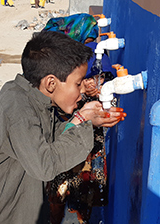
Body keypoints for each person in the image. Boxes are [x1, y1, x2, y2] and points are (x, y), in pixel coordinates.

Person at [0, 31, 123, 224]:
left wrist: (83, 117)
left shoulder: (34, 98)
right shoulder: (17, 106)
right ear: (51, 83)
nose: (82, 91)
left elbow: (50, 140)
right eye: (78, 84)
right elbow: (45, 164)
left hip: (16, 206)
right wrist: (83, 127)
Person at [43, 13, 121, 224]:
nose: (90, 45)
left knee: (84, 189)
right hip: (64, 129)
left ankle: (81, 217)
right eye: (87, 40)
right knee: (58, 189)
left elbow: (106, 81)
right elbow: (49, 98)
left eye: (92, 40)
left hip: (87, 131)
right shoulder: (55, 61)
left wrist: (99, 88)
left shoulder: (94, 56)